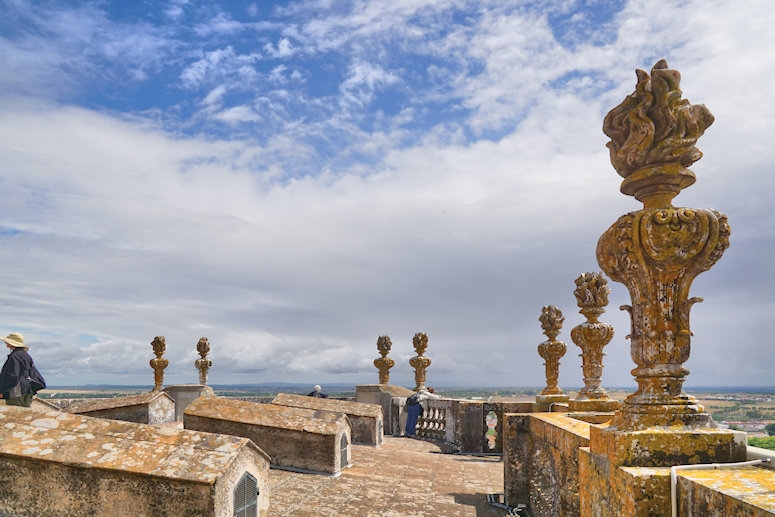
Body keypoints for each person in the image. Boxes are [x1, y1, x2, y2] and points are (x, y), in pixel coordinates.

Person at [0, 332, 44, 407]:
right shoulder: (25, 355)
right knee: (25, 412)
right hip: (28, 390)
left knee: (14, 413)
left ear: (12, 343)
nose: (5, 343)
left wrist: (2, 391)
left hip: (16, 392)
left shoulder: (14, 356)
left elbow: (13, 375)